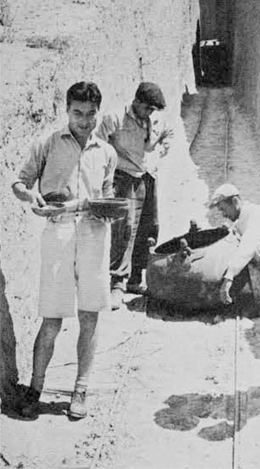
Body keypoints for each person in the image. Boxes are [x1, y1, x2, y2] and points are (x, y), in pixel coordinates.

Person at [11, 81, 118, 420]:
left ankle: (80, 390)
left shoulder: (107, 153)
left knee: (90, 316)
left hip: (94, 233)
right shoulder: (47, 142)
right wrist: (31, 197)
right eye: (77, 113)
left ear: (98, 113)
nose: (84, 121)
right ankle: (35, 388)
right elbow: (20, 183)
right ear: (67, 110)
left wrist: (101, 208)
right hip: (57, 232)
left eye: (90, 115)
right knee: (52, 319)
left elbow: (106, 195)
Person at [94, 82, 173, 308]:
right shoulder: (115, 118)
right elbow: (98, 143)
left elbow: (169, 131)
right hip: (124, 176)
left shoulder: (156, 119)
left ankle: (136, 278)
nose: (150, 113)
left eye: (153, 110)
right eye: (147, 108)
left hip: (148, 175)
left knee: (149, 227)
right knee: (125, 228)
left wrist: (159, 152)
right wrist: (109, 170)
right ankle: (117, 284)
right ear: (137, 101)